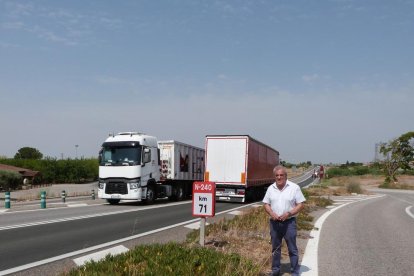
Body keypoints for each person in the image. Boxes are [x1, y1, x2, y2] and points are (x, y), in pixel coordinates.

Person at [263, 165, 306, 276]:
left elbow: (301, 204)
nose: (279, 177)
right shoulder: (270, 188)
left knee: (292, 249)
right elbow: (266, 204)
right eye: (277, 175)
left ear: (286, 176)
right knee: (275, 249)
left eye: (281, 175)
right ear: (274, 177)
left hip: (289, 222)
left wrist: (289, 213)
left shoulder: (294, 187)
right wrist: (272, 213)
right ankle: (276, 271)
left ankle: (295, 271)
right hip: (274, 223)